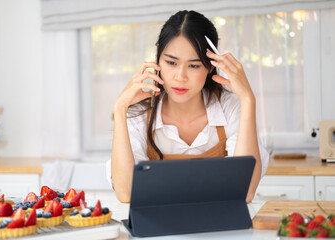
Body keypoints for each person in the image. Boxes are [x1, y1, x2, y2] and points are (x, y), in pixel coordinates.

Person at [111, 10, 269, 203]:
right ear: (157, 60)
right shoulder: (140, 113)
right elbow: (126, 192)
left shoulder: (230, 107)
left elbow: (246, 192)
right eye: (171, 62)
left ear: (210, 66)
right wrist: (120, 108)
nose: (180, 76)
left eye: (194, 65)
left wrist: (248, 99)